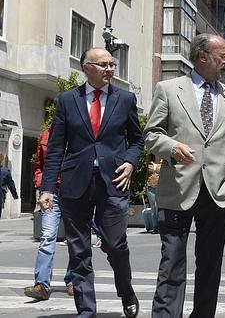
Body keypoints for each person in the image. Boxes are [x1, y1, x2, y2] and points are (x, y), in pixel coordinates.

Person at [144, 33, 225, 318]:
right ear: (202, 57)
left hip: (219, 193)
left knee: (210, 266)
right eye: (223, 56)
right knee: (172, 264)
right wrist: (171, 146)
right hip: (177, 189)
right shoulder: (168, 89)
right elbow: (151, 134)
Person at [38, 47, 143, 318]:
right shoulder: (66, 100)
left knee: (116, 244)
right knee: (79, 249)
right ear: (86, 67)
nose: (110, 69)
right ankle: (86, 310)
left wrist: (131, 162)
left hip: (113, 182)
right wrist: (47, 187)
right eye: (103, 64)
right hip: (75, 183)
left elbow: (138, 140)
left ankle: (126, 291)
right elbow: (57, 146)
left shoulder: (125, 99)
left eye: (112, 64)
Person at [24, 128, 74, 300]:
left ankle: (74, 280)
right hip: (51, 193)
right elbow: (39, 165)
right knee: (47, 237)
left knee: (75, 238)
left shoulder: (78, 130)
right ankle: (42, 285)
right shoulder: (46, 135)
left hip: (75, 192)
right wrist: (41, 185)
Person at [144, 153, 162, 233]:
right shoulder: (149, 163)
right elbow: (147, 175)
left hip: (160, 187)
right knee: (153, 208)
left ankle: (161, 225)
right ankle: (155, 227)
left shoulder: (163, 162)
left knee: (158, 206)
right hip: (150, 187)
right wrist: (145, 186)